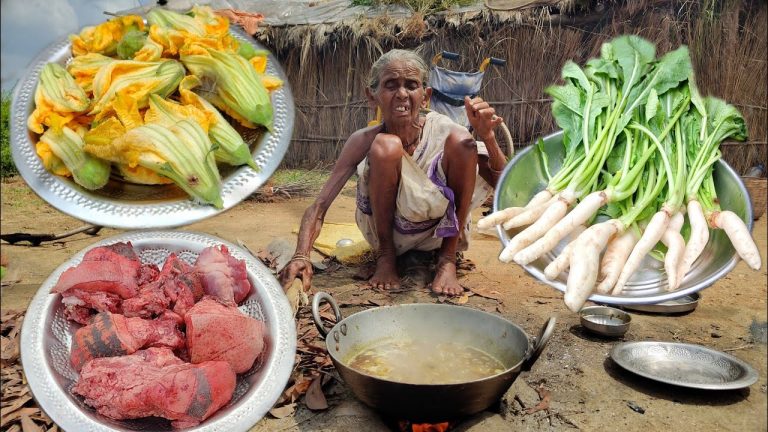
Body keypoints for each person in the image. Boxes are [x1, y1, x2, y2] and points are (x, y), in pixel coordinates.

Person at [278, 49, 507, 296]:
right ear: (372, 95)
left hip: (438, 234)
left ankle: (447, 260)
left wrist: (488, 138)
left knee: (464, 141)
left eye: (411, 85)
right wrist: (301, 255)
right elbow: (319, 206)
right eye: (390, 85)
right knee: (386, 146)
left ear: (425, 96)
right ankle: (385, 258)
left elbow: (503, 183)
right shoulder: (364, 140)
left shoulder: (442, 130)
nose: (402, 94)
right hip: (389, 236)